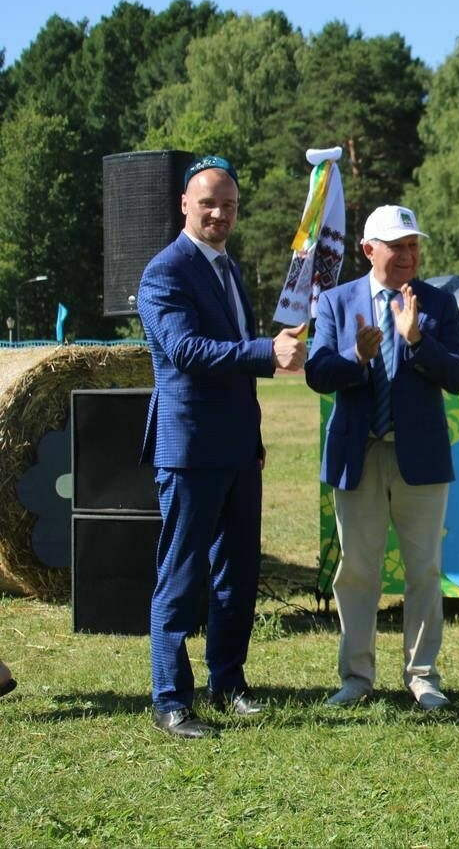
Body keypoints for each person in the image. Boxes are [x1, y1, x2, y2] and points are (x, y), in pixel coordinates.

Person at [138, 155, 308, 739]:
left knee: (236, 576)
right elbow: (187, 352)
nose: (219, 213)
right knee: (181, 576)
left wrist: (255, 440)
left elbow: (232, 366)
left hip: (238, 449)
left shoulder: (230, 271)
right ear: (184, 205)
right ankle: (170, 701)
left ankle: (228, 682)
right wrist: (267, 353)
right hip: (188, 451)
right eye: (208, 202)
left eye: (229, 205)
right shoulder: (165, 272)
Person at [305, 205, 459, 711]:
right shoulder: (336, 303)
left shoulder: (439, 304)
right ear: (368, 249)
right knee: (357, 570)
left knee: (423, 570)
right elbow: (318, 374)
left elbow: (458, 376)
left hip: (418, 457)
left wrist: (416, 339)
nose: (407, 255)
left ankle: (423, 677)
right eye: (397, 246)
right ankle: (357, 676)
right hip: (359, 455)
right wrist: (357, 357)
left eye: (413, 245)